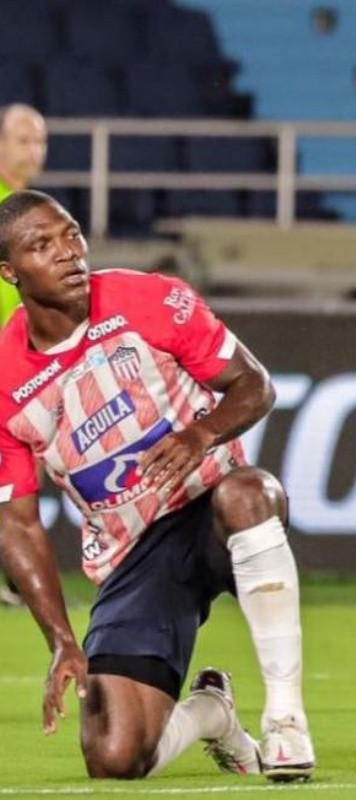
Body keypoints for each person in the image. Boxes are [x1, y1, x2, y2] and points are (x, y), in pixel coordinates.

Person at [0, 190, 315, 780]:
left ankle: (285, 721)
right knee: (114, 758)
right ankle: (212, 714)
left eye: (71, 234)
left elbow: (255, 384)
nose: (69, 253)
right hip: (134, 556)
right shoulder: (4, 378)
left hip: (213, 507)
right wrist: (62, 642)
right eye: (42, 246)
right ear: (9, 272)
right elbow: (15, 522)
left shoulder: (149, 299)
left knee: (250, 491)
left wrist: (202, 434)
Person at [0, 104, 48, 607]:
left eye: (38, 141)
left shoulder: (31, 209)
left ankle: (19, 577)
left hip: (21, 371)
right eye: (21, 139)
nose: (32, 151)